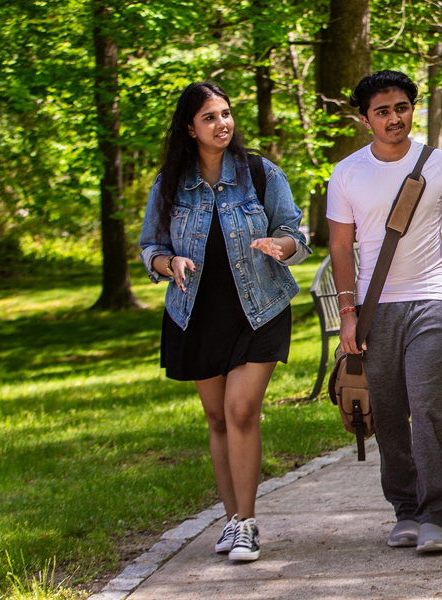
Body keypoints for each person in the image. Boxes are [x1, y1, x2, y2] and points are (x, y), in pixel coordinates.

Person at [139, 82, 311, 563]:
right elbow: (150, 247)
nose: (223, 124)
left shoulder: (259, 172)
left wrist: (283, 247)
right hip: (195, 313)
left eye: (227, 114)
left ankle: (248, 524)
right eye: (210, 117)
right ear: (190, 128)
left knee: (240, 410)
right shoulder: (170, 183)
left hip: (259, 308)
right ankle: (232, 519)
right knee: (217, 418)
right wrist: (168, 266)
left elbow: (294, 230)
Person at [327, 70, 442, 554]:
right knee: (389, 411)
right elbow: (341, 247)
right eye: (382, 111)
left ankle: (436, 514)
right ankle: (405, 509)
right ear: (365, 120)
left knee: (426, 406)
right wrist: (348, 314)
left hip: (432, 303)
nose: (394, 117)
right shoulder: (348, 173)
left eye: (401, 107)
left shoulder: (440, 164)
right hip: (375, 309)